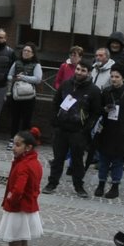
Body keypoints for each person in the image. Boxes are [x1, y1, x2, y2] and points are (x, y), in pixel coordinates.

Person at [0, 129, 43, 246]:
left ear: (28, 147)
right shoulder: (34, 163)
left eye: (18, 145)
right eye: (14, 144)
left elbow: (18, 190)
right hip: (29, 211)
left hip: (18, 211)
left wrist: (9, 200)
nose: (14, 148)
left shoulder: (23, 165)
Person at [44, 59, 100, 197]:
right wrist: (55, 121)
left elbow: (96, 112)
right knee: (58, 159)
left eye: (83, 70)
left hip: (78, 131)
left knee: (77, 160)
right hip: (61, 128)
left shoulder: (94, 90)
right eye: (78, 69)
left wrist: (86, 128)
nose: (79, 72)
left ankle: (78, 186)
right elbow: (55, 102)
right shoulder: (66, 84)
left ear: (88, 73)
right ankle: (52, 183)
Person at [93, 67, 124, 198]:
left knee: (118, 160)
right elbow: (98, 109)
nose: (114, 79)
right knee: (103, 159)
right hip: (107, 129)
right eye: (112, 76)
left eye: (117, 77)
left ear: (123, 78)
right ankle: (101, 183)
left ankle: (115, 185)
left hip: (121, 131)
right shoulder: (106, 91)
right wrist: (104, 109)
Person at [5, 43, 43, 136]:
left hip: (29, 95)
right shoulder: (16, 62)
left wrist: (23, 77)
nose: (26, 52)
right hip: (16, 94)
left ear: (33, 53)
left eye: (28, 51)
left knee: (26, 119)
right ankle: (13, 138)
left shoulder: (36, 65)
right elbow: (9, 76)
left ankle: (24, 140)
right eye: (24, 50)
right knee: (15, 118)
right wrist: (14, 78)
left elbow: (38, 79)